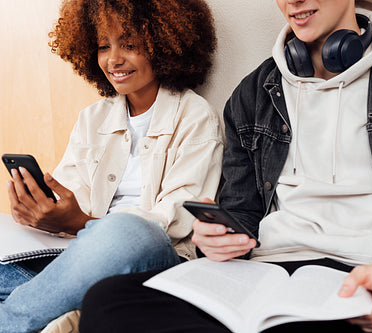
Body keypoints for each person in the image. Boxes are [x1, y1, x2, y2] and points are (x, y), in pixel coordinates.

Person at [79, 0, 372, 332]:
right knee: (110, 302)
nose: (292, 1)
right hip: (269, 274)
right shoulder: (251, 93)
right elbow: (243, 212)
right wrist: (216, 236)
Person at [0, 0, 222, 331]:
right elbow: (68, 193)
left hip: (155, 256)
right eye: (104, 46)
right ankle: (57, 305)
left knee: (123, 232)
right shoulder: (92, 118)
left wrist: (82, 222)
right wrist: (37, 210)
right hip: (77, 253)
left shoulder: (195, 116)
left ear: (164, 46)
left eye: (129, 45)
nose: (114, 59)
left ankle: (14, 318)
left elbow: (172, 223)